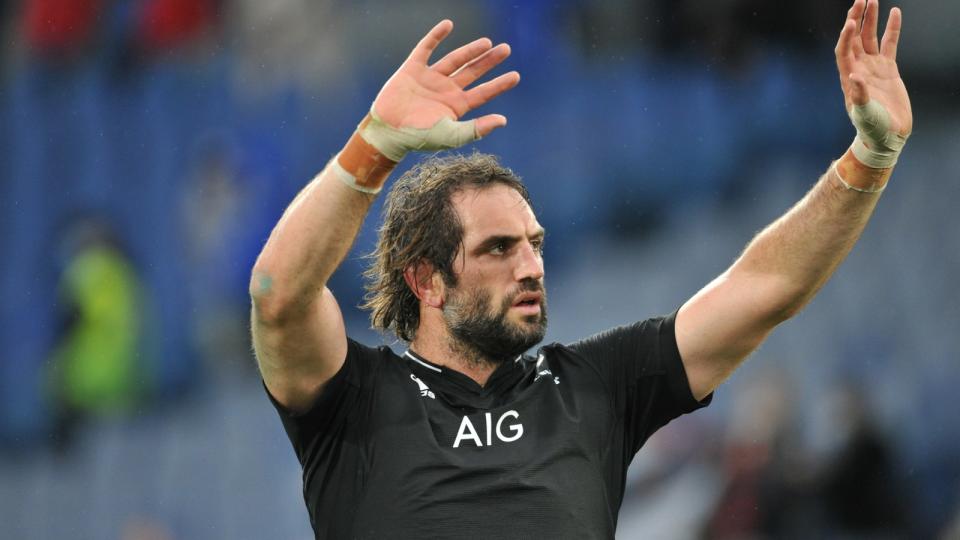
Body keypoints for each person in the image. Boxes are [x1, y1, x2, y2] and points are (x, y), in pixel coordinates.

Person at [249, 0, 911, 537]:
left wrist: (869, 159)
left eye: (535, 244)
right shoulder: (354, 402)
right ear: (426, 281)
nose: (532, 265)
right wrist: (373, 148)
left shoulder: (595, 388)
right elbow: (278, 293)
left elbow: (766, 288)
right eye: (499, 249)